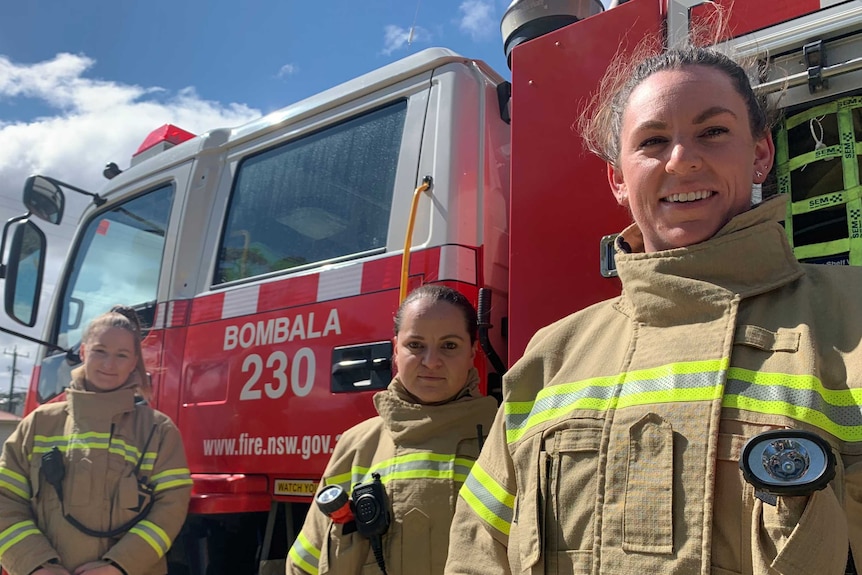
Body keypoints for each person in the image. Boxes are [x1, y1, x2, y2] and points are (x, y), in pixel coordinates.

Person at [445, 40, 862, 575]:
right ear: (618, 179)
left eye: (713, 132)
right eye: (653, 141)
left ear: (760, 153)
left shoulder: (852, 315)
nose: (682, 159)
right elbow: (478, 550)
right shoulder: (549, 357)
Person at [288, 285, 498, 575]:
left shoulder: (504, 438)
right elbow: (305, 563)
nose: (431, 361)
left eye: (449, 345)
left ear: (473, 351)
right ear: (396, 348)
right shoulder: (356, 444)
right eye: (415, 345)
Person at [0, 306, 192, 575]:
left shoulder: (159, 432)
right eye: (100, 351)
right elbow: (5, 502)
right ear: (83, 352)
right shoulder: (38, 424)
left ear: (134, 361)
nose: (109, 364)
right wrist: (36, 567)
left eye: (121, 355)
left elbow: (169, 512)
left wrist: (118, 567)